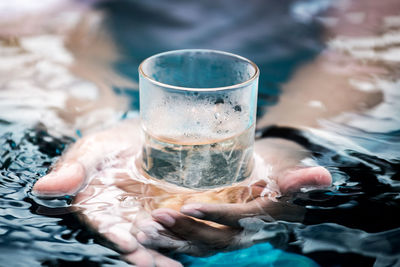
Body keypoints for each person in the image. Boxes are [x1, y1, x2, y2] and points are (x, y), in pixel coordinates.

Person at [32, 0, 397, 266]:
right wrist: (106, 120)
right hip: (132, 81)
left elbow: (367, 48)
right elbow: (62, 29)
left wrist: (286, 136)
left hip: (292, 80)